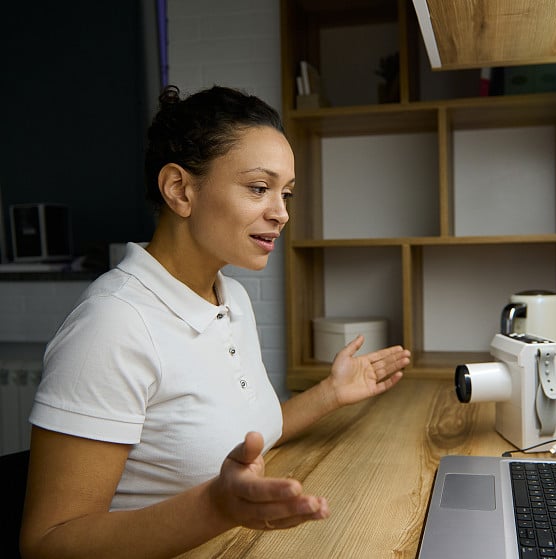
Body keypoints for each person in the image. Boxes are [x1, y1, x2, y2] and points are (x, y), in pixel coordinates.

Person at [19, 85, 410, 559]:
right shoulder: (112, 326)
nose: (281, 213)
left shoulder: (233, 298)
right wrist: (214, 508)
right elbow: (47, 543)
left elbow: (240, 437)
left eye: (285, 193)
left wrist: (331, 393)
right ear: (180, 189)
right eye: (259, 188)